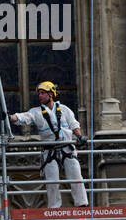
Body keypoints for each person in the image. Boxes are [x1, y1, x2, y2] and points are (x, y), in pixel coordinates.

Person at [9, 81, 88, 209]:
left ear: (51, 94)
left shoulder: (64, 110)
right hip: (50, 150)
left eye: (43, 93)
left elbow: (74, 124)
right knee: (52, 181)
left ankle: (82, 204)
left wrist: (79, 136)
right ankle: (54, 207)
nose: (40, 96)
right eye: (39, 93)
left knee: (76, 176)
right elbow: (23, 118)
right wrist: (10, 117)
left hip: (67, 148)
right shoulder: (36, 112)